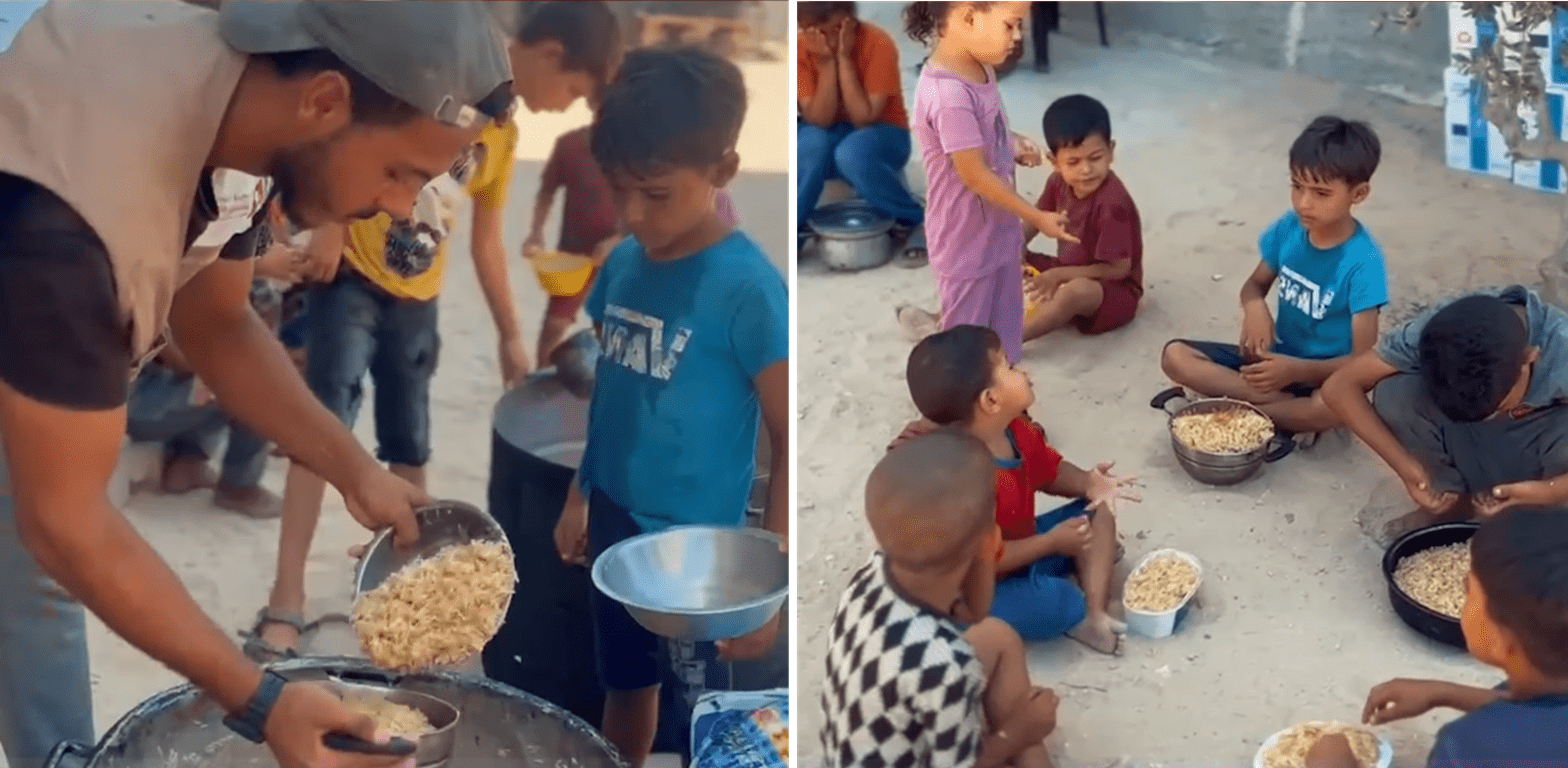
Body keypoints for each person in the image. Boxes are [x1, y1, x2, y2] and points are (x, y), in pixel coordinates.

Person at [0, 3, 514, 767]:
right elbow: (65, 524)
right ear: (325, 100)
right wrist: (262, 699)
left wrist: (357, 472)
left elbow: (217, 321)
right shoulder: (80, 215)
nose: (404, 208)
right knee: (48, 541)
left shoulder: (249, 116)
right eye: (402, 172)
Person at [245, 0, 623, 662]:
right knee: (320, 430)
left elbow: (484, 243)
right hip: (350, 279)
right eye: (574, 92)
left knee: (409, 442)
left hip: (419, 296)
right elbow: (358, 120)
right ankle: (286, 598)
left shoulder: (505, 136)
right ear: (552, 54)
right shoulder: (443, 66)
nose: (568, 108)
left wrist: (510, 332)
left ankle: (405, 590)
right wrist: (332, 222)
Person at [550, 47, 789, 767]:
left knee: (706, 713)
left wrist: (768, 581)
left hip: (703, 557)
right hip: (618, 527)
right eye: (618, 190)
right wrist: (578, 493)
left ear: (722, 171)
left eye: (655, 194)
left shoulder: (749, 290)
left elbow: (783, 435)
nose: (631, 214)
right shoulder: (623, 263)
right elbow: (611, 396)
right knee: (625, 684)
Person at [821, 429, 1061, 768]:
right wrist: (1016, 733)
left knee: (999, 637)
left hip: (868, 736)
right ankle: (1024, 744)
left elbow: (969, 613)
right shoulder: (945, 666)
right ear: (991, 543)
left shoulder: (871, 575)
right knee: (1021, 729)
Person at [893, 325, 1138, 653]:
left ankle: (1096, 614)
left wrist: (1089, 482)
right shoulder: (957, 477)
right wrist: (1051, 542)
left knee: (1100, 506)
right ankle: (1074, 605)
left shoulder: (1015, 431)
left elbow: (1049, 471)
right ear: (991, 400)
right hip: (973, 585)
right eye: (1008, 366)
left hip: (1019, 545)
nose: (1023, 371)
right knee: (1057, 602)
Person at [1158, 115, 1388, 442]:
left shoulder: (1363, 263)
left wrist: (1299, 371)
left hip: (1322, 375)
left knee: (1331, 409)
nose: (1304, 203)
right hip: (1273, 361)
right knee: (1175, 357)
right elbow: (1254, 285)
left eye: (1321, 193)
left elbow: (1363, 362)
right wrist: (1255, 308)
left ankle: (1247, 407)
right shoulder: (1290, 227)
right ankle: (1279, 412)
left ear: (1359, 193)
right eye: (1297, 186)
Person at [1303, 506, 1568, 768]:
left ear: (1500, 640)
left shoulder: (1471, 748)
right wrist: (1447, 694)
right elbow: (1544, 713)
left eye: (1468, 591)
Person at [897, 1, 1074, 365]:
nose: (1018, 37)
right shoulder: (949, 96)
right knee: (967, 353)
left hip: (998, 233)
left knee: (1003, 338)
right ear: (968, 18)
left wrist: (1010, 141)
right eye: (1010, 25)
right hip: (965, 242)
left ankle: (1004, 400)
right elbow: (974, 175)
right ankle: (964, 416)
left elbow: (981, 132)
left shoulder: (978, 68)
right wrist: (1036, 217)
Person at [1321, 287, 1568, 539]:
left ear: (1530, 358)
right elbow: (1339, 387)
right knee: (1395, 394)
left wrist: (1544, 492)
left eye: (1499, 406)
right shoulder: (1440, 334)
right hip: (1473, 440)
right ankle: (1452, 501)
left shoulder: (1562, 354)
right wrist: (1405, 468)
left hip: (1539, 457)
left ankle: (1532, 519)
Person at [797, 1, 927, 262]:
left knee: (852, 153)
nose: (831, 39)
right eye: (819, 32)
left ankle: (915, 220)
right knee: (809, 145)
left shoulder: (877, 42)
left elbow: (864, 117)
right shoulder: (802, 49)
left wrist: (843, 59)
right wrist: (825, 64)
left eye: (837, 29)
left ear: (850, 21)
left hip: (883, 134)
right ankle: (794, 226)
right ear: (804, 28)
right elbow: (819, 119)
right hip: (827, 133)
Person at [1023, 94, 1143, 344]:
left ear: (1111, 152)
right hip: (1066, 269)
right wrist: (1012, 249)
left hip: (1111, 292)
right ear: (1054, 162)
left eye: (1095, 158)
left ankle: (1010, 340)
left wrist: (1057, 277)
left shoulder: (1112, 204)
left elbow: (1118, 269)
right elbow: (1035, 220)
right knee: (999, 246)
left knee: (1076, 291)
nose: (1086, 170)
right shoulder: (1057, 182)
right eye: (1073, 162)